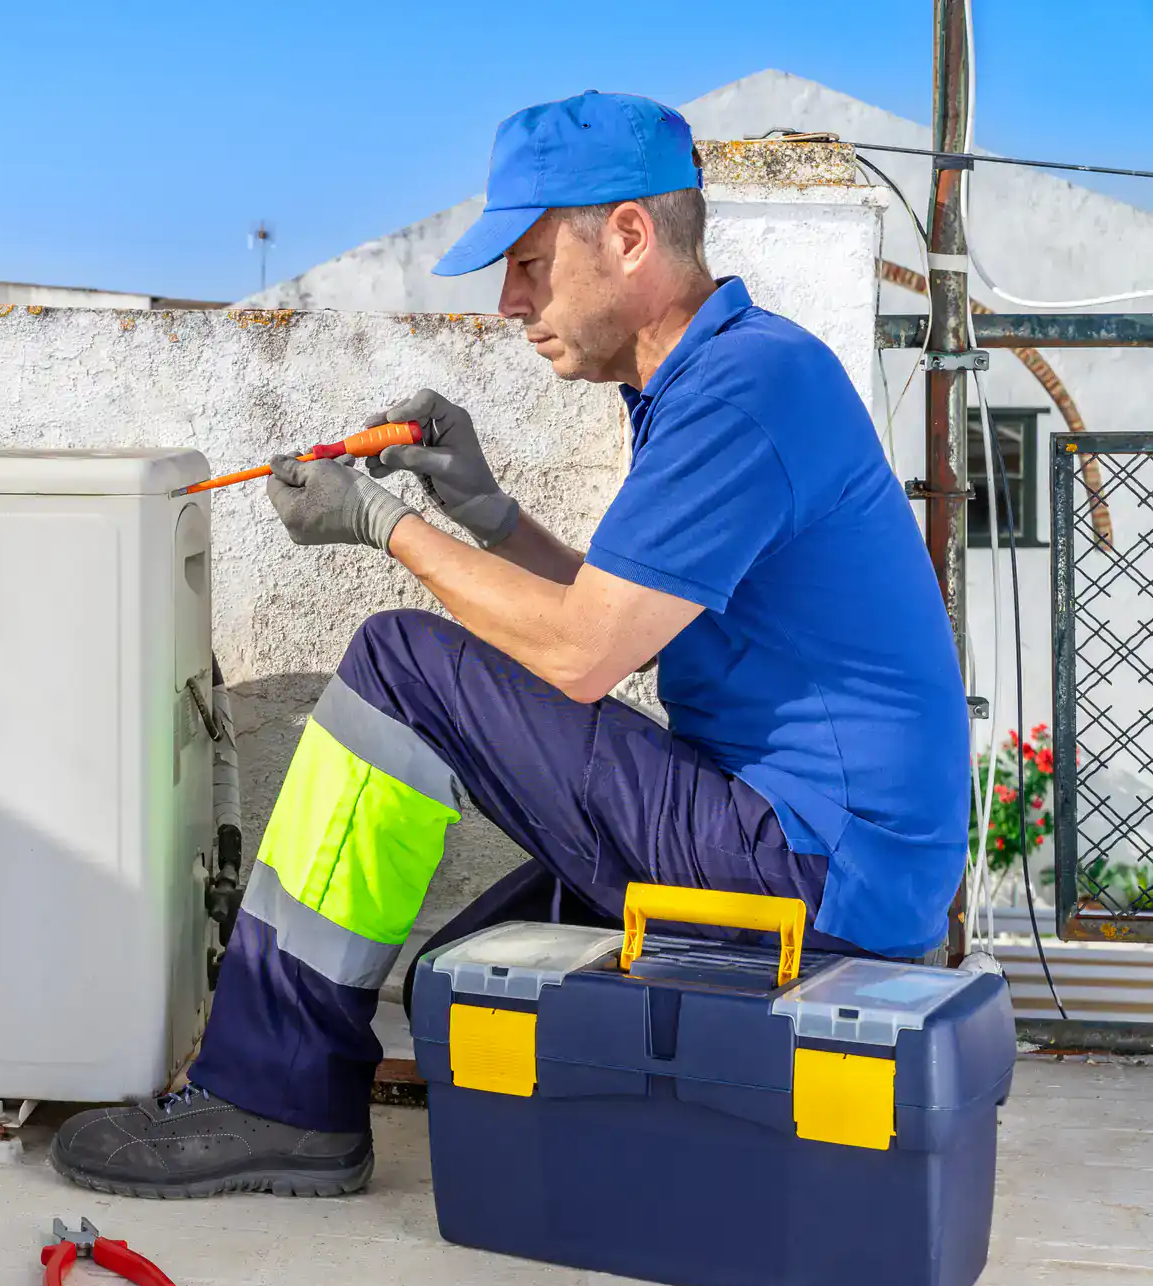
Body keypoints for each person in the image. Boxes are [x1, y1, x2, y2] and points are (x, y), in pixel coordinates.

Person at [49, 90, 968, 1199]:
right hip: (819, 855)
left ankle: (273, 1090)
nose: (505, 301)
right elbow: (620, 618)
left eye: (530, 263)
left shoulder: (743, 387)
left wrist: (381, 524)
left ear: (627, 236)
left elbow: (582, 656)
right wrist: (484, 509)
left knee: (398, 660)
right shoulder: (718, 375)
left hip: (816, 869)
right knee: (462, 976)